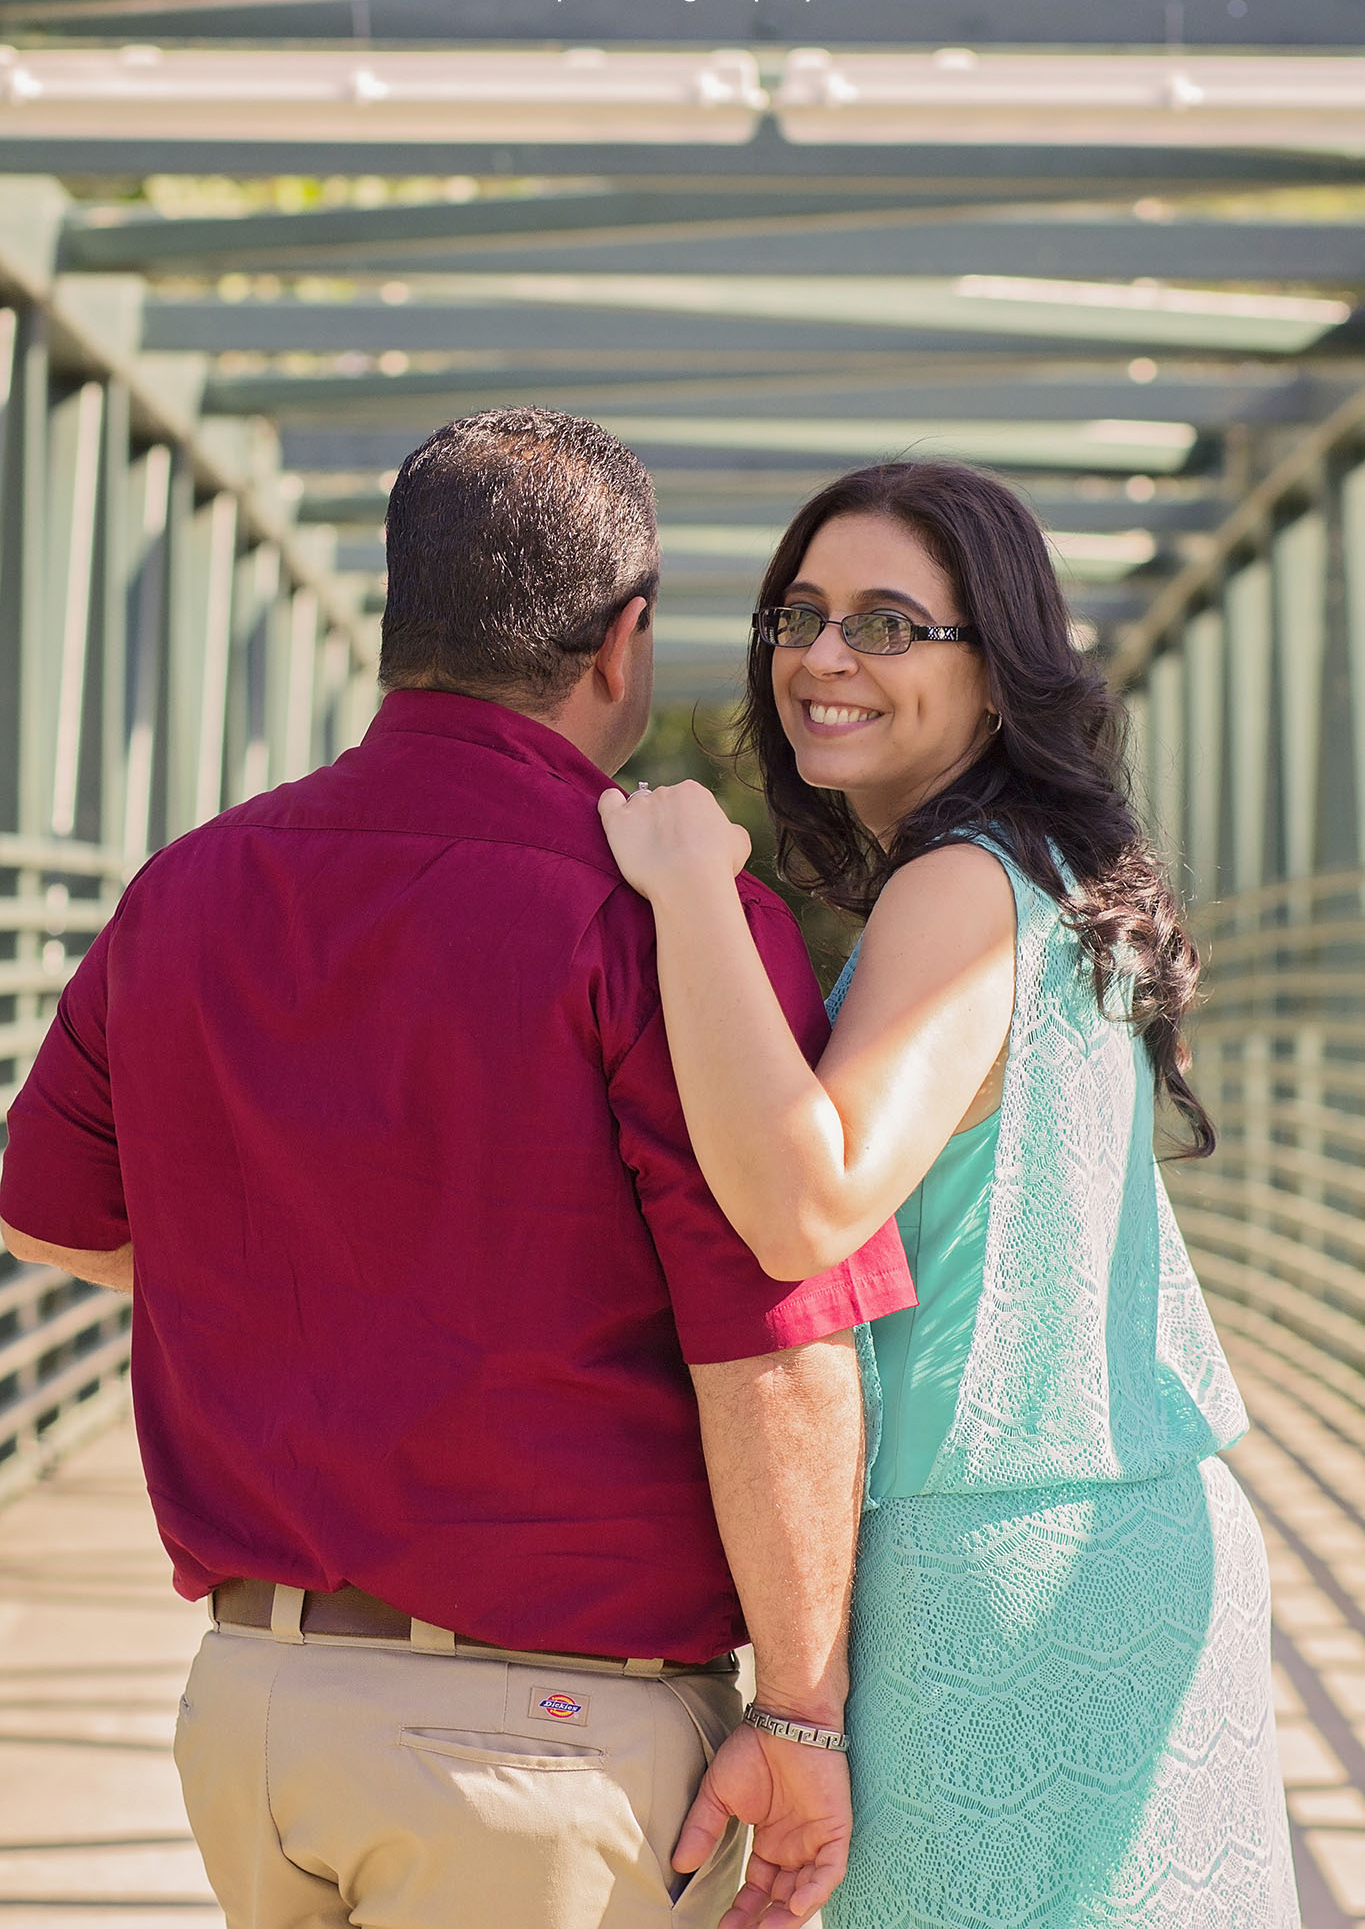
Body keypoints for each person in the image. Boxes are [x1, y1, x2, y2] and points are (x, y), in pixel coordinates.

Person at [0, 409, 916, 1929]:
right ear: (623, 642)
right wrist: (804, 1717)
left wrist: (308, 1274)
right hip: (544, 1753)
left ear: (396, 626)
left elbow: (51, 1216)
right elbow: (773, 1354)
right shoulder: (661, 926)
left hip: (256, 1717)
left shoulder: (189, 888)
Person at [599, 458, 1299, 1929]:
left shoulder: (960, 886)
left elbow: (808, 1202)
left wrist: (685, 892)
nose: (822, 656)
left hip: (987, 1578)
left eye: (887, 623)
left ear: (997, 672)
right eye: (798, 614)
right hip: (1121, 1531)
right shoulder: (1041, 874)